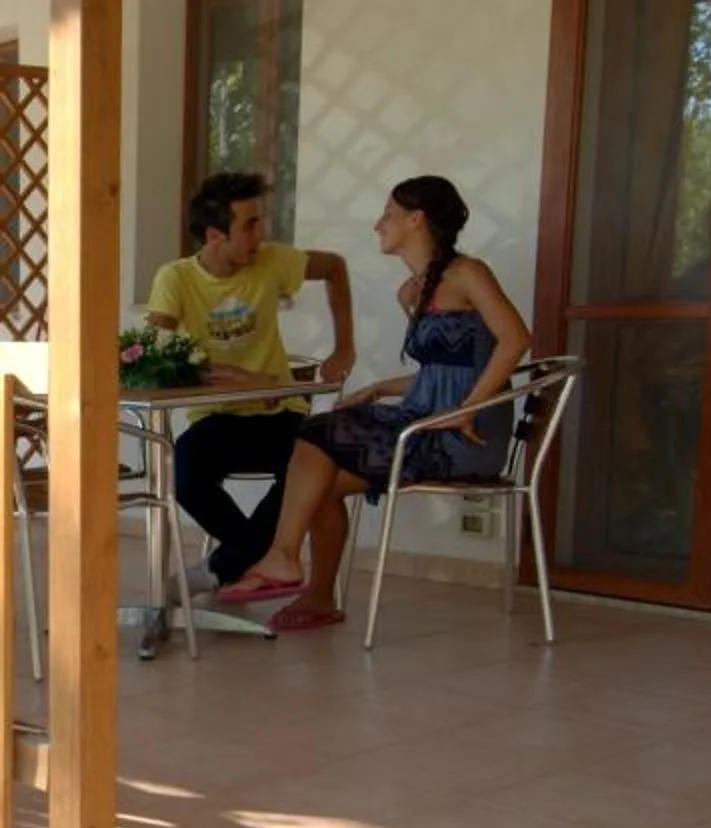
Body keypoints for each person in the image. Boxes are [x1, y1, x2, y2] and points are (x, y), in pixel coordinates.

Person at [214, 175, 530, 633]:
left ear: (416, 219)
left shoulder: (468, 274)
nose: (377, 224)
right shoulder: (411, 292)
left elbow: (516, 339)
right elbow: (442, 373)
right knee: (320, 471)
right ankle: (318, 595)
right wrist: (382, 387)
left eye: (388, 214)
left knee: (316, 434)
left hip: (463, 435)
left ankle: (282, 557)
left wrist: (468, 409)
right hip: (423, 422)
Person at [144, 171, 354, 587]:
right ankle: (260, 559)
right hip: (217, 417)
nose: (261, 235)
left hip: (281, 410)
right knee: (181, 473)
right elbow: (155, 356)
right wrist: (234, 381)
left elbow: (334, 267)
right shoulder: (176, 278)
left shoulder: (274, 260)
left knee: (307, 470)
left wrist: (345, 346)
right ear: (214, 235)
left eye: (260, 221)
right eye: (250, 225)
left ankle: (224, 567)